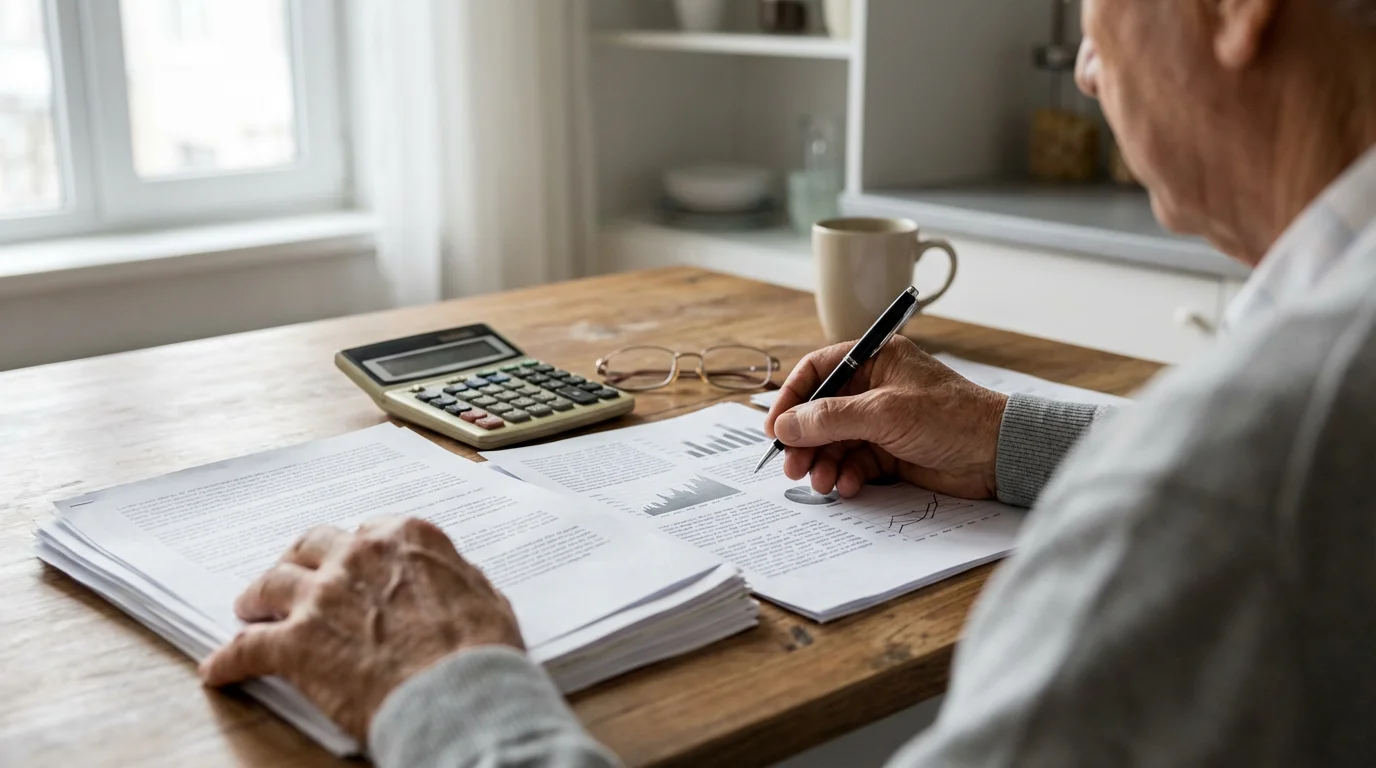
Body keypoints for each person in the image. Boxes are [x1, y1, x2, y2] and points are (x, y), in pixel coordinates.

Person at [200, 0, 1376, 765]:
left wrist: (442, 685)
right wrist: (1004, 432)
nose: (1081, 59)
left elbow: (1252, 481)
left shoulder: (1240, 481)